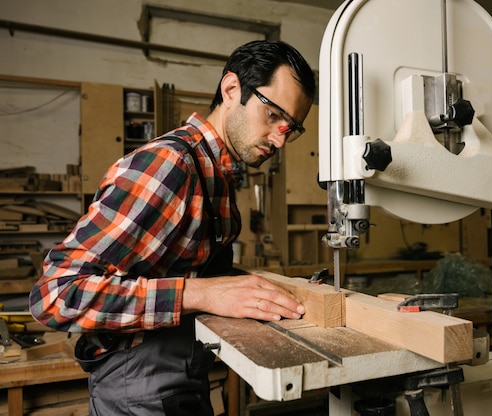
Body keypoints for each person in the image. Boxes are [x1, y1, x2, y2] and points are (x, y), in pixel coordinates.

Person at [29, 40, 317, 416]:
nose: (280, 138)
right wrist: (200, 294)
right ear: (232, 89)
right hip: (137, 383)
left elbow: (186, 270)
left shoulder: (218, 173)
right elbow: (56, 294)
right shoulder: (169, 165)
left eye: (291, 127)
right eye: (273, 115)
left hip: (183, 371)